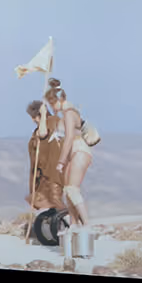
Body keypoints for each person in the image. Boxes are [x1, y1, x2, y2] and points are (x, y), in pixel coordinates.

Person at [45, 77, 94, 232]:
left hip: (79, 151)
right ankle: (73, 224)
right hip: (73, 154)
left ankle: (86, 225)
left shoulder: (69, 114)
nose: (52, 108)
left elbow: (69, 138)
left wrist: (61, 161)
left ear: (58, 100)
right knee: (68, 191)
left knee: (72, 189)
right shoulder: (67, 114)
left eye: (52, 104)